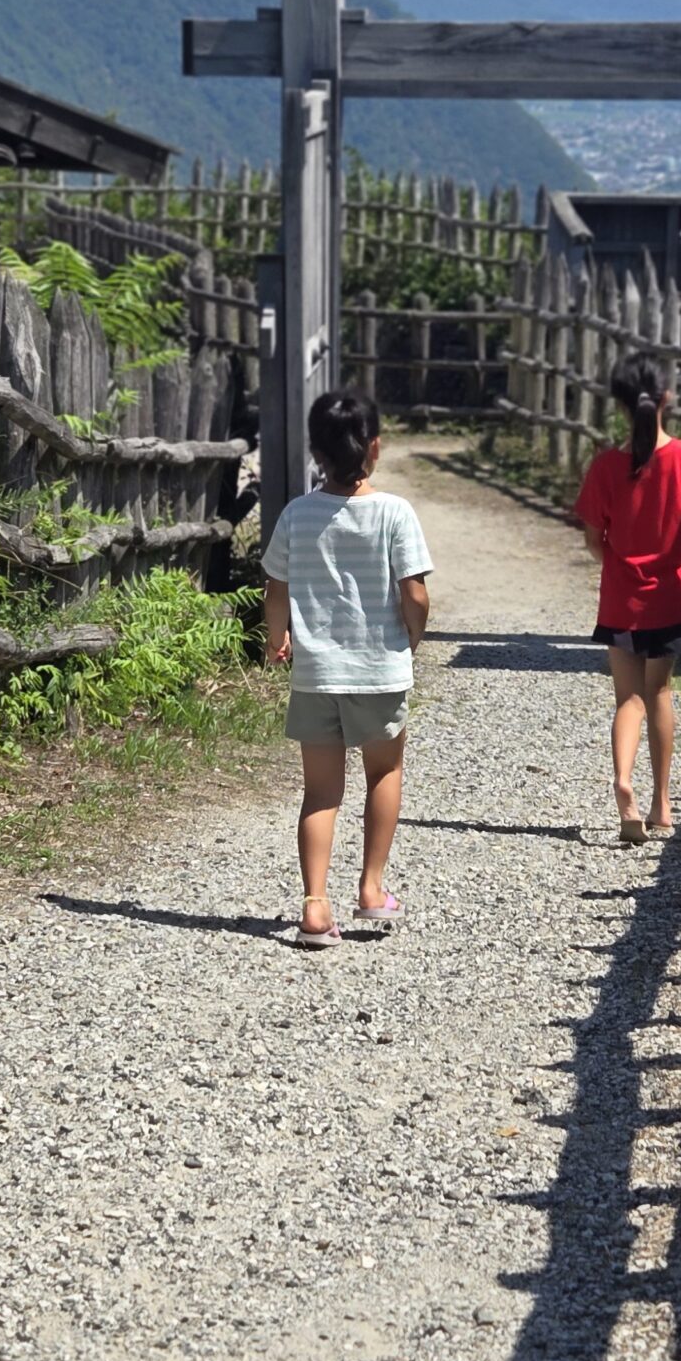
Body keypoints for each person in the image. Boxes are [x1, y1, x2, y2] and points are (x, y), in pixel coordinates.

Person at [262, 389, 432, 950]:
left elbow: (277, 588)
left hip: (315, 674)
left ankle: (314, 907)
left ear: (315, 449)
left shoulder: (295, 513)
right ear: (375, 447)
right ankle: (372, 888)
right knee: (383, 772)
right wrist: (412, 637)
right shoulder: (393, 513)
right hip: (378, 670)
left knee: (320, 793)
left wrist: (277, 638)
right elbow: (416, 593)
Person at [575, 353, 681, 842]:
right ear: (666, 397)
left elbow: (590, 535)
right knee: (659, 693)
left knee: (627, 698)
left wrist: (614, 565)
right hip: (670, 597)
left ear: (621, 405)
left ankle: (623, 781)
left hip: (621, 598)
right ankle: (661, 803)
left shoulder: (605, 465)